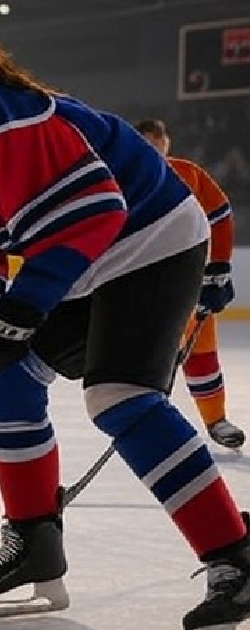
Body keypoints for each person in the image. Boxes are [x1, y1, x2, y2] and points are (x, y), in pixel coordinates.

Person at [0, 29, 250, 629]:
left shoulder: (3, 123)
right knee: (6, 378)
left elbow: (97, 211)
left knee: (119, 397)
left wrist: (20, 312)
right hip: (85, 263)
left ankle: (235, 556)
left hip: (153, 240)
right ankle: (34, 545)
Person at [135, 118, 241, 449]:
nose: (155, 145)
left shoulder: (188, 173)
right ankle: (142, 422)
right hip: (140, 283)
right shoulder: (122, 176)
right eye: (147, 140)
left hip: (189, 279)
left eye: (159, 139)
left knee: (201, 352)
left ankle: (216, 419)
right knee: (140, 358)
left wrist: (218, 266)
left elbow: (219, 213)